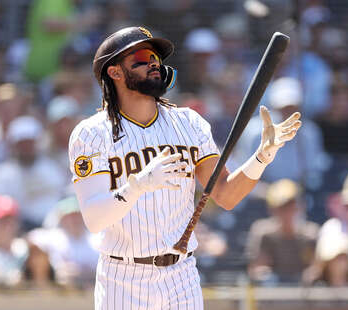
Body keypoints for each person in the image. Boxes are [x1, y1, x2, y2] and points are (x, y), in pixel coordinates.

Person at [69, 26, 301, 309]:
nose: (154, 63)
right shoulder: (91, 134)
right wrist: (137, 185)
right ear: (115, 72)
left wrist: (262, 156)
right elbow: (94, 219)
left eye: (156, 57)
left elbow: (226, 195)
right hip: (123, 277)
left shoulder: (189, 124)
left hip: (181, 275)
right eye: (142, 57)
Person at [246, 179, 318, 285]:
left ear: (300, 207)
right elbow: (256, 268)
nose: (288, 212)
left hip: (304, 294)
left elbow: (316, 268)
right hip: (272, 294)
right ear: (272, 209)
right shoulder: (263, 233)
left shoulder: (310, 234)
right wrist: (266, 274)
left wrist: (309, 276)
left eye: (291, 206)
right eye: (282, 207)